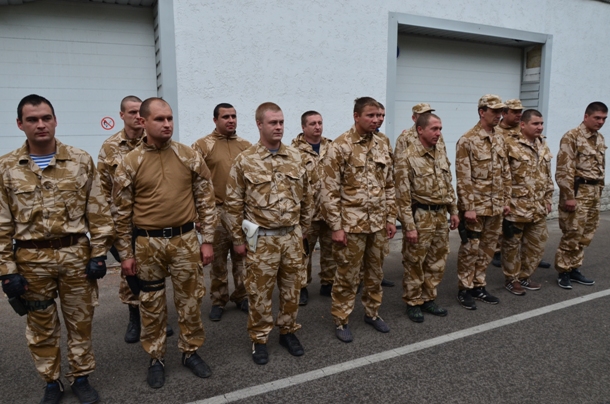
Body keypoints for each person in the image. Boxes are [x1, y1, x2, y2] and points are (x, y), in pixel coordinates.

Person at [0, 94, 114, 404]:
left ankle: (81, 377)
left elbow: (98, 211)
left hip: (75, 256)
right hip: (31, 261)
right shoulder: (6, 167)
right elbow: (1, 223)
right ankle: (51, 382)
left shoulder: (80, 160)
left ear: (55, 120)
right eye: (32, 119)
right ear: (20, 124)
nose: (40, 124)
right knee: (41, 326)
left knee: (80, 322)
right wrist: (7, 271)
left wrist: (99, 253)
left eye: (46, 118)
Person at [113, 97, 217, 388]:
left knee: (190, 300)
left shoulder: (188, 155)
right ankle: (156, 357)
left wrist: (207, 240)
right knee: (151, 304)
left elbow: (206, 200)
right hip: (148, 244)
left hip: (185, 240)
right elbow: (120, 213)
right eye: (159, 119)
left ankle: (190, 351)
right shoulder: (130, 162)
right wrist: (126, 254)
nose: (167, 124)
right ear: (143, 122)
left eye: (169, 118)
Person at [224, 102, 313, 365]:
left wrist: (303, 229)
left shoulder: (296, 157)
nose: (278, 127)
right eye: (273, 122)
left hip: (292, 237)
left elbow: (308, 197)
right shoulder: (245, 160)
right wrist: (238, 239)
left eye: (281, 122)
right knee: (259, 293)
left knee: (291, 289)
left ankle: (288, 331)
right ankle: (259, 338)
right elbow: (233, 204)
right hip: (261, 239)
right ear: (259, 124)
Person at [97, 95, 174, 343]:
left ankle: (158, 317)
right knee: (129, 272)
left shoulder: (155, 142)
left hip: (150, 221)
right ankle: (135, 317)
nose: (137, 117)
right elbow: (102, 189)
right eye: (131, 112)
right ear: (122, 115)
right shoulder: (110, 147)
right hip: (124, 224)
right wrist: (108, 228)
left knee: (155, 271)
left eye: (140, 112)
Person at [320, 96, 397, 343]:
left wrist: (391, 217)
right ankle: (341, 319)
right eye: (371, 115)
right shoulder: (340, 146)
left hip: (377, 224)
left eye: (380, 116)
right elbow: (329, 190)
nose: (377, 120)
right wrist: (336, 227)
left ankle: (372, 313)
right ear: (356, 116)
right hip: (351, 226)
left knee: (375, 273)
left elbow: (389, 184)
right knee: (347, 275)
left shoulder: (383, 144)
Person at [394, 113, 459, 322]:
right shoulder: (407, 157)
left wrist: (453, 210)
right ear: (420, 130)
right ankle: (413, 301)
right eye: (434, 129)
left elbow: (448, 184)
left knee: (437, 260)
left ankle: (428, 298)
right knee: (415, 261)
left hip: (440, 215)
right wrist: (409, 226)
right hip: (420, 215)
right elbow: (402, 197)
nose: (438, 133)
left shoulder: (440, 153)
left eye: (440, 129)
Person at [192, 103, 251, 321]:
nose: (231, 120)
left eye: (234, 116)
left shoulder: (246, 146)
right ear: (215, 120)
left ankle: (242, 296)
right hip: (214, 212)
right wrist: (197, 215)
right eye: (226, 117)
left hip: (241, 212)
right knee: (217, 261)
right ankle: (218, 300)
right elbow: (191, 181)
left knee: (242, 257)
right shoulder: (202, 146)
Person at [455, 94, 511, 310]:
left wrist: (506, 200)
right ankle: (464, 288)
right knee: (471, 249)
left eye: (501, 112)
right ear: (482, 112)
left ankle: (479, 285)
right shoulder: (467, 140)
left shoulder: (500, 138)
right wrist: (468, 207)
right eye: (494, 111)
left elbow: (505, 172)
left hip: (495, 206)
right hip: (476, 208)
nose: (499, 115)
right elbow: (463, 177)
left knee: (487, 248)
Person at [554, 102, 607, 289]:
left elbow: (601, 167)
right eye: (597, 118)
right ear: (586, 116)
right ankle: (563, 271)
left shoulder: (599, 138)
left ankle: (574, 267)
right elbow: (564, 169)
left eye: (604, 119)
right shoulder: (572, 136)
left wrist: (599, 190)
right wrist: (569, 196)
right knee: (573, 232)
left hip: (593, 192)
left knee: (586, 233)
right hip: (578, 191)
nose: (601, 122)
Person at [501, 109, 554, 295]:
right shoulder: (509, 144)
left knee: (537, 244)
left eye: (541, 123)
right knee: (511, 246)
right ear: (523, 125)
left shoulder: (542, 144)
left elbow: (547, 175)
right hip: (516, 206)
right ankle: (512, 279)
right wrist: (504, 202)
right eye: (535, 123)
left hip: (538, 207)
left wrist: (548, 198)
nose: (540, 127)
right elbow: (502, 176)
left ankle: (525, 276)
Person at [291, 110, 335, 304]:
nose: (317, 127)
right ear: (303, 127)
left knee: (331, 250)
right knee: (303, 252)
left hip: (329, 210)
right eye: (312, 124)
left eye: (320, 123)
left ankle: (328, 282)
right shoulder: (294, 151)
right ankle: (302, 287)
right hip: (307, 213)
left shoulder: (331, 147)